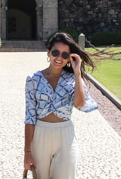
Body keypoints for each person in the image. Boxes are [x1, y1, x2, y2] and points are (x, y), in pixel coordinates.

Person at [24, 32, 98, 179]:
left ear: (70, 58)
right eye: (56, 52)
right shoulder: (33, 79)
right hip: (40, 134)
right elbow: (30, 117)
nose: (59, 57)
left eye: (65, 55)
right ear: (48, 52)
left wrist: (77, 72)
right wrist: (27, 152)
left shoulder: (73, 79)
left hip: (66, 135)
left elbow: (80, 104)